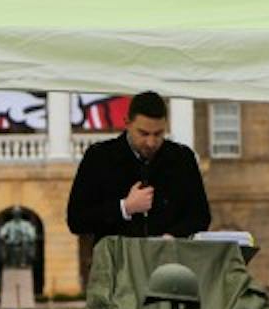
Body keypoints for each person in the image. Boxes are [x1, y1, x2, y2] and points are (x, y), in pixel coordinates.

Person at [65, 91, 211, 241]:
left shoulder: (182, 158)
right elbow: (76, 220)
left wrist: (173, 236)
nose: (151, 142)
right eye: (143, 133)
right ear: (127, 123)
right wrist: (125, 208)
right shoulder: (99, 157)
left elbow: (201, 217)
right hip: (117, 261)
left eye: (158, 133)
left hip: (169, 259)